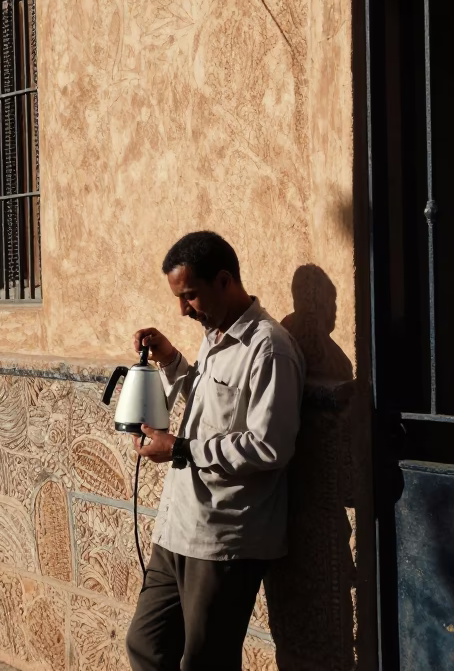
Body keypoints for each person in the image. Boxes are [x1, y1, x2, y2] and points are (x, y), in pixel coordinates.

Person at [126, 231, 305, 671]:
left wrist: (182, 448)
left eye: (190, 296)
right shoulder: (214, 334)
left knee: (206, 663)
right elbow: (210, 407)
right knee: (145, 646)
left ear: (225, 281)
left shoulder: (270, 348)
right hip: (177, 527)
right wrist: (171, 361)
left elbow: (270, 446)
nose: (183, 310)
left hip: (224, 537)